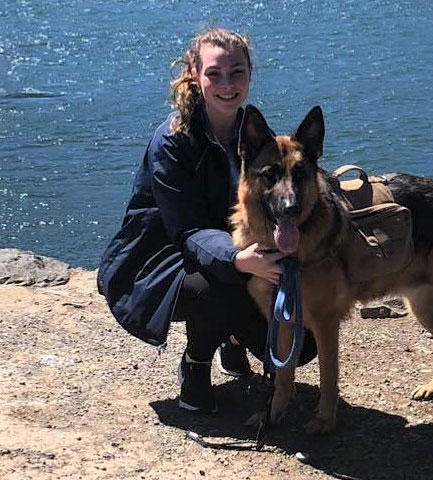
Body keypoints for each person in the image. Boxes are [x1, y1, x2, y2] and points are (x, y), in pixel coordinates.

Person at [97, 27, 316, 414]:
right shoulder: (172, 140)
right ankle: (195, 365)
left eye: (237, 73)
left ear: (250, 75)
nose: (227, 84)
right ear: (194, 75)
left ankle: (233, 341)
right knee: (220, 287)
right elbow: (187, 230)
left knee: (303, 344)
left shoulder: (251, 133)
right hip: (161, 259)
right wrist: (239, 260)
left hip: (231, 247)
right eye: (215, 73)